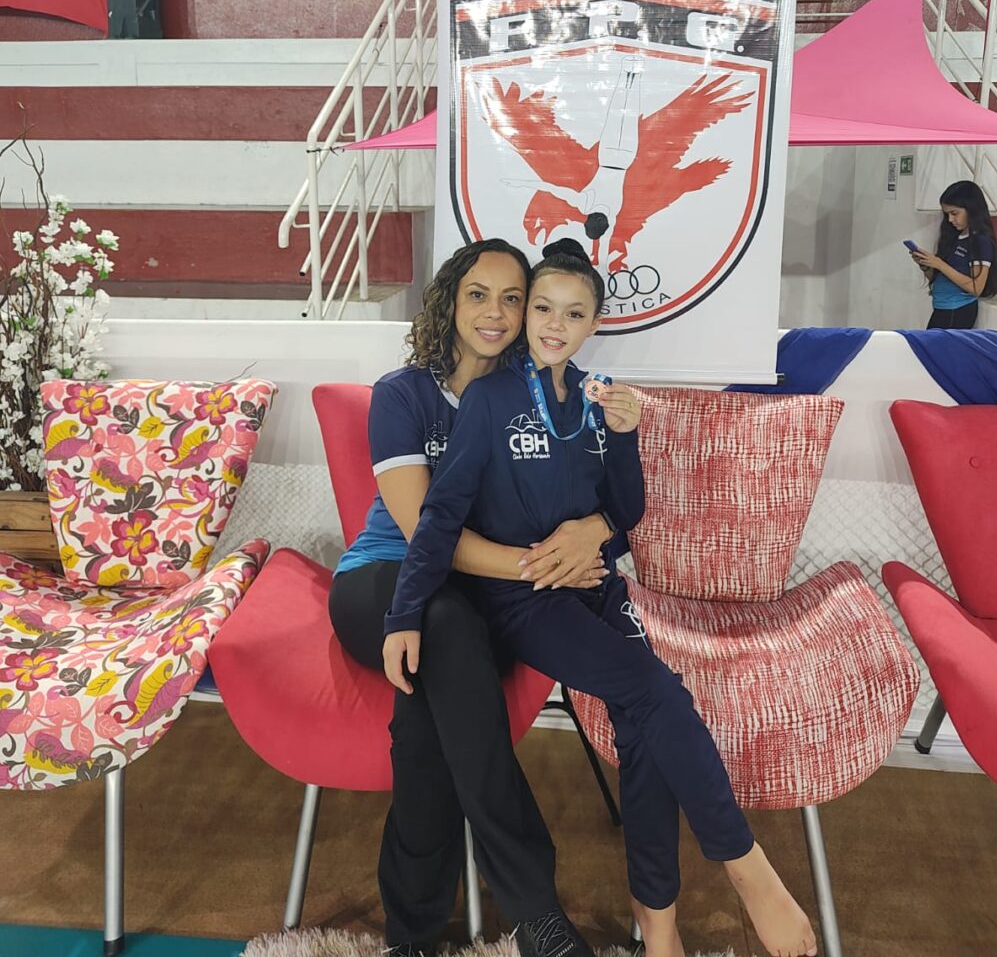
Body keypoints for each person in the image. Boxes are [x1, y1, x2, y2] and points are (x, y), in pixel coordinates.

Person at [384, 239, 818, 957]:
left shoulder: (598, 398)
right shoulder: (489, 400)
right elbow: (440, 517)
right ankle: (746, 866)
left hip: (596, 588)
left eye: (573, 313)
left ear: (593, 323)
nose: (554, 325)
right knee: (657, 691)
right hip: (525, 600)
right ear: (527, 316)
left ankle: (659, 919)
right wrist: (404, 612)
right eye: (542, 308)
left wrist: (622, 442)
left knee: (645, 724)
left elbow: (625, 510)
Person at [329, 238, 614, 957]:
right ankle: (536, 914)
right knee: (449, 625)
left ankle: (411, 937)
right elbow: (427, 533)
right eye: (478, 294)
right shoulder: (404, 393)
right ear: (450, 301)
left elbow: (589, 491)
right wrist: (541, 567)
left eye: (512, 298)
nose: (495, 312)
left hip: (482, 597)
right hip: (386, 580)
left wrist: (590, 534)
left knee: (425, 730)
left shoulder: (535, 395)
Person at [911, 180, 997, 329]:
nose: (950, 219)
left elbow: (976, 288)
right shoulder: (954, 237)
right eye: (947, 214)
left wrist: (940, 264)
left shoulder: (980, 241)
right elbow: (941, 278)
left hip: (957, 310)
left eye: (954, 213)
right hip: (941, 307)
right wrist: (926, 265)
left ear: (972, 209)